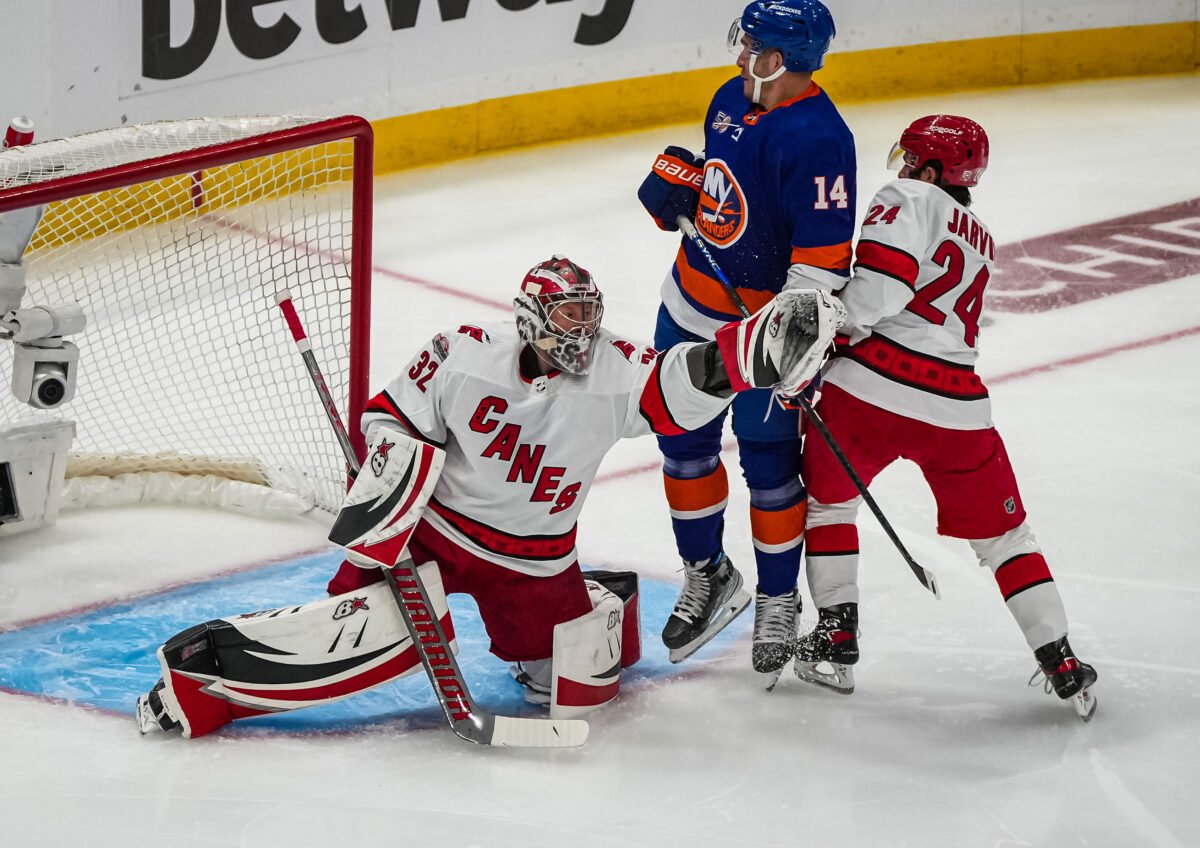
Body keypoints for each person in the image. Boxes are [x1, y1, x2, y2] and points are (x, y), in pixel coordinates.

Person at [135, 256, 841, 736]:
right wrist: (388, 489)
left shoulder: (615, 371)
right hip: (431, 534)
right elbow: (387, 419)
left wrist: (746, 355)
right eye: (566, 317)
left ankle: (603, 601)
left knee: (576, 689)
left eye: (588, 314)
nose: (583, 331)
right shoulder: (462, 355)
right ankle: (201, 683)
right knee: (361, 637)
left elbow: (679, 383)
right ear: (532, 318)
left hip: (534, 561)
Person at [792, 116, 1099, 720]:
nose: (904, 167)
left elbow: (879, 291)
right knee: (1007, 538)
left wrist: (827, 331)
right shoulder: (980, 234)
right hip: (956, 409)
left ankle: (835, 638)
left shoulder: (906, 195)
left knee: (830, 507)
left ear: (931, 170)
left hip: (868, 390)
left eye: (912, 159)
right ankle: (1059, 658)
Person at [636, 0, 857, 681]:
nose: (738, 56)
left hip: (760, 338)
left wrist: (783, 345)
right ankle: (709, 575)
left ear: (782, 61)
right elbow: (726, 189)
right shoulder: (730, 97)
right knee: (682, 447)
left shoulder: (822, 140)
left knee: (768, 469)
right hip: (685, 310)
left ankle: (778, 599)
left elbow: (818, 268)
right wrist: (682, 188)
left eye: (752, 46)